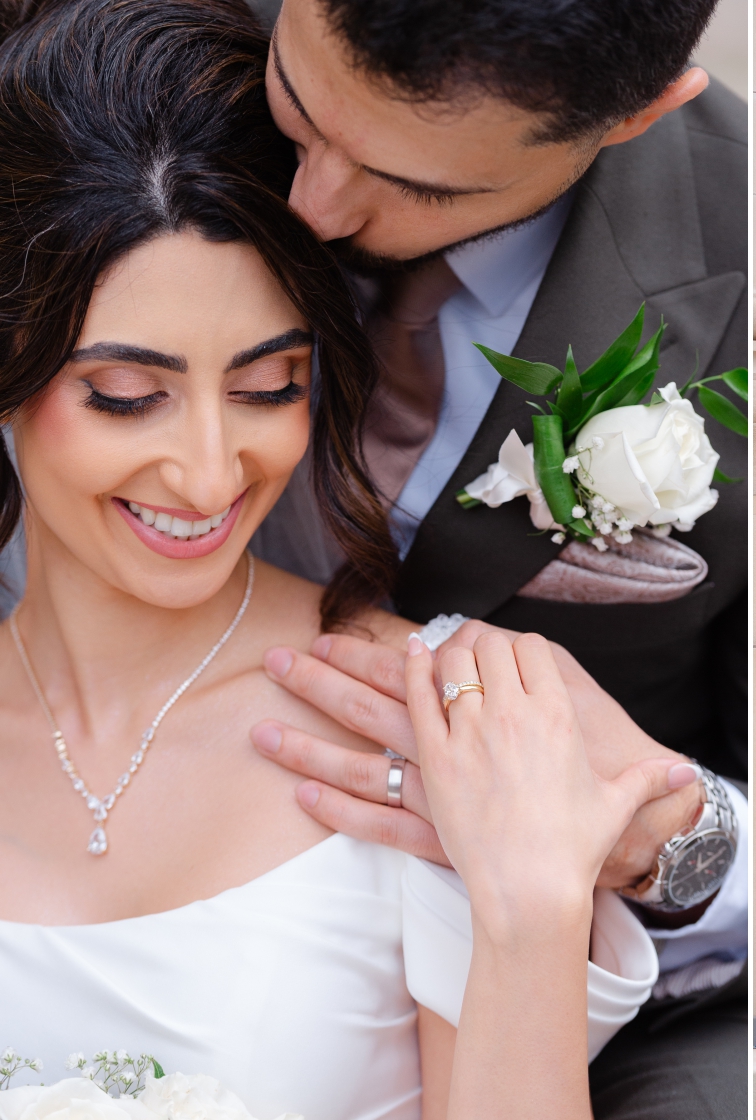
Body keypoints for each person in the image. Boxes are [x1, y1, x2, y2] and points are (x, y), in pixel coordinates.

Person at [0, 2, 692, 1116]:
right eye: (128, 397)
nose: (211, 473)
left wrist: (531, 910)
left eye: (269, 386)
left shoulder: (417, 730)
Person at [242, 2, 749, 1116]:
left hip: (602, 991)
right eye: (296, 99)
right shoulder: (122, 46)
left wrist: (665, 833)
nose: (310, 203)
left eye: (422, 185)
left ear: (638, 116)